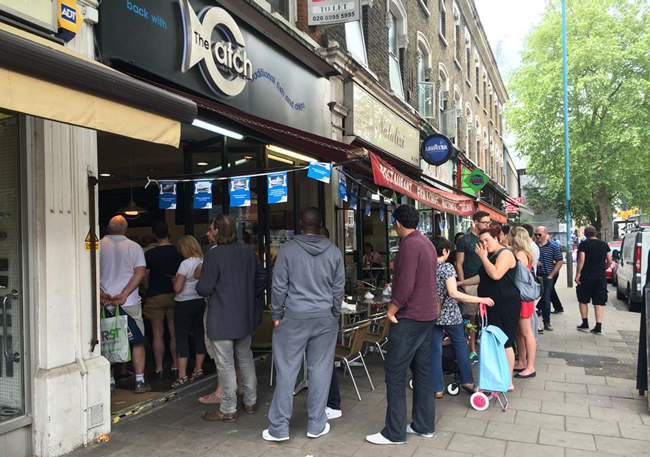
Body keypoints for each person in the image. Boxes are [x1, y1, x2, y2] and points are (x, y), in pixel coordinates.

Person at [263, 209, 344, 441]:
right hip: (325, 317)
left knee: (287, 370)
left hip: (294, 317)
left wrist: (276, 313)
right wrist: (334, 313)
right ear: (321, 226)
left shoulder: (287, 250)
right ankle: (316, 425)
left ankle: (278, 428)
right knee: (321, 370)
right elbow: (338, 289)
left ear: (301, 224)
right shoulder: (335, 252)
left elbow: (278, 286)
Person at [366, 205, 439, 445]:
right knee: (423, 371)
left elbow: (406, 285)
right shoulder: (427, 243)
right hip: (427, 315)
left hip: (409, 317)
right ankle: (423, 425)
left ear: (397, 223)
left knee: (395, 373)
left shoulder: (408, 246)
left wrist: (391, 310)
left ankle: (394, 432)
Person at [197, 214, 267, 423]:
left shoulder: (213, 255)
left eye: (211, 229)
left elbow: (205, 287)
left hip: (221, 317)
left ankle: (227, 409)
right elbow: (262, 276)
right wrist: (249, 293)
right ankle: (251, 401)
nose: (209, 233)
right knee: (245, 358)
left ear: (217, 231)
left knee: (225, 364)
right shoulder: (247, 251)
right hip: (244, 316)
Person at [430, 236, 493, 398]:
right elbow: (453, 293)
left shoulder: (425, 266)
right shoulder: (447, 268)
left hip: (431, 314)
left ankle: (437, 388)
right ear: (444, 251)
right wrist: (481, 299)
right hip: (451, 315)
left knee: (434, 349)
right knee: (460, 346)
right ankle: (467, 381)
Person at [459, 226, 520, 390]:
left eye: (487, 240)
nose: (484, 244)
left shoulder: (505, 253)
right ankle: (499, 377)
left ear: (497, 238)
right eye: (481, 241)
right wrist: (460, 283)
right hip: (491, 304)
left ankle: (508, 381)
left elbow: (496, 274)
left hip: (506, 304)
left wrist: (484, 258)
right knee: (495, 340)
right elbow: (483, 276)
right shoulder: (491, 255)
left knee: (505, 341)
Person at [99, 215, 149, 394]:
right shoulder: (134, 247)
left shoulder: (97, 246)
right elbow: (140, 273)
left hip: (104, 303)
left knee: (106, 342)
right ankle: (140, 381)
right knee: (137, 342)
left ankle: (110, 382)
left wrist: (101, 294)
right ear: (125, 230)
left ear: (107, 228)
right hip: (130, 302)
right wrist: (125, 294)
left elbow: (89, 271)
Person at [143, 222, 183, 378]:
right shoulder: (178, 252)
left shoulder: (149, 254)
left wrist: (149, 289)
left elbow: (145, 278)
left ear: (154, 235)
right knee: (174, 333)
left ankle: (159, 368)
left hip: (155, 296)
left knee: (157, 333)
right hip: (174, 295)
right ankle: (175, 364)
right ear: (170, 232)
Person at [455, 210, 491, 364]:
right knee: (471, 317)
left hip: (487, 282)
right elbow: (459, 263)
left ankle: (481, 344)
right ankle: (472, 349)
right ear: (475, 222)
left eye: (489, 222)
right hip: (470, 283)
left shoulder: (488, 239)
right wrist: (463, 284)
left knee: (485, 316)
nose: (487, 225)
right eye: (485, 222)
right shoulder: (465, 240)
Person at [171, 235, 206, 387]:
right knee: (199, 334)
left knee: (182, 338)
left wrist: (174, 281)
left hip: (184, 303)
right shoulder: (203, 261)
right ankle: (198, 369)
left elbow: (178, 288)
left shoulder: (185, 264)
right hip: (199, 301)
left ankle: (182, 375)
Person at [509, 227, 537, 378]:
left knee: (526, 332)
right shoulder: (525, 252)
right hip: (523, 297)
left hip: (522, 297)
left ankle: (530, 366)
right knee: (521, 332)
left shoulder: (519, 254)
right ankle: (521, 361)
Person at [575, 226, 611, 335]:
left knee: (583, 299)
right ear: (596, 233)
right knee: (599, 301)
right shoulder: (604, 244)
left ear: (586, 234)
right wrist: (602, 269)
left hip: (587, 276)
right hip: (600, 277)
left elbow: (581, 260)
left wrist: (577, 274)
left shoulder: (584, 244)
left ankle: (585, 323)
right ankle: (598, 326)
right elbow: (609, 260)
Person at [535, 226, 563, 332]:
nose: (537, 237)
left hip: (547, 275)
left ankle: (546, 322)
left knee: (546, 299)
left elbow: (559, 261)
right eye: (536, 234)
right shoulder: (534, 246)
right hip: (535, 276)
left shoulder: (553, 247)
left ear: (546, 234)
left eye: (539, 234)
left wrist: (551, 275)